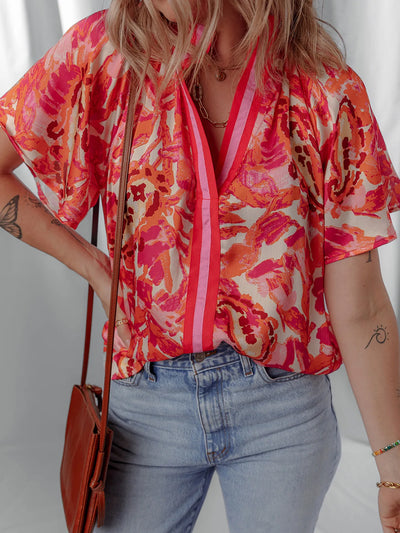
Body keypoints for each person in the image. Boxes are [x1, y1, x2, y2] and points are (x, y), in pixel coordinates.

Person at [0, 0, 400, 531]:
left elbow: (362, 306)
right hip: (144, 407)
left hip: (282, 414)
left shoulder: (324, 90)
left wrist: (392, 467)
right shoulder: (106, 54)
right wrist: (95, 266)